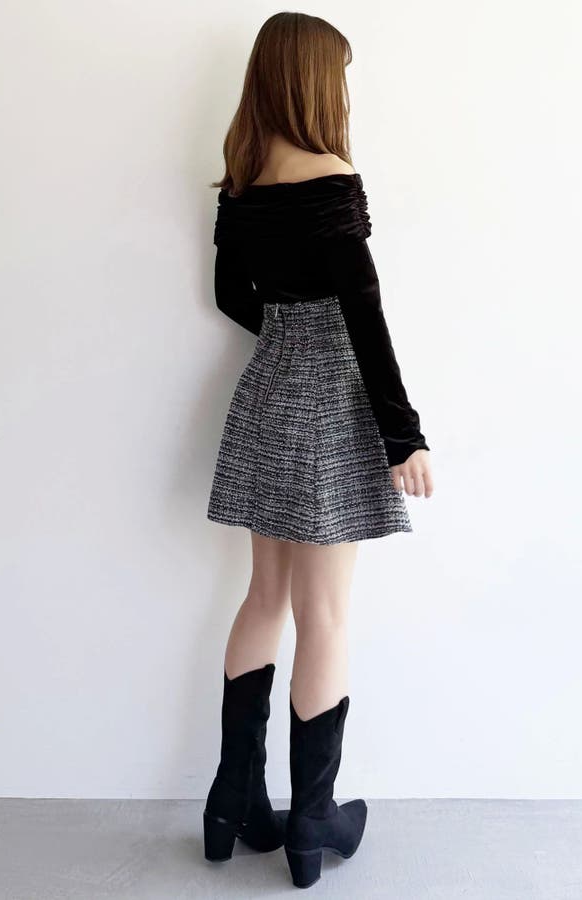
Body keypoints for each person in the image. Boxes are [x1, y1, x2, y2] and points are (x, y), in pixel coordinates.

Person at [201, 11, 434, 889]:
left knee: (264, 596)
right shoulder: (332, 180)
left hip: (265, 397)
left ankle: (231, 804)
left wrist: (287, 338)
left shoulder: (242, 180)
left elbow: (231, 297)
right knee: (325, 615)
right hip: (331, 407)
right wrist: (403, 434)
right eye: (339, 75)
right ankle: (312, 821)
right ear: (314, 81)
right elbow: (366, 318)